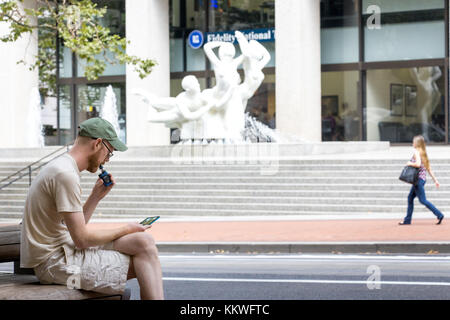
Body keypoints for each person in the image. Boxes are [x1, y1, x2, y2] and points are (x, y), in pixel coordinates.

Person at [20, 117, 164, 300]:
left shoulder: (63, 167)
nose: (107, 160)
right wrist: (127, 228)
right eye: (109, 153)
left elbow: (70, 229)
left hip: (64, 250)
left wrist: (95, 197)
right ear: (97, 144)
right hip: (56, 263)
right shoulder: (65, 175)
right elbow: (82, 239)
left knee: (143, 241)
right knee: (145, 264)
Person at [399, 135, 444, 225]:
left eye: (413, 142)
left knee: (423, 200)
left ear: (417, 143)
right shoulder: (423, 153)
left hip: (418, 180)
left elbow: (418, 164)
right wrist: (435, 180)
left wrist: (410, 163)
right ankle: (407, 220)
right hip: (421, 180)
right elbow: (429, 169)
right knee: (410, 198)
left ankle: (439, 214)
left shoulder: (416, 152)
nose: (412, 143)